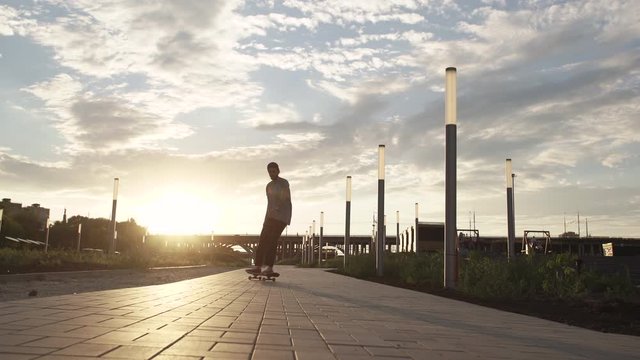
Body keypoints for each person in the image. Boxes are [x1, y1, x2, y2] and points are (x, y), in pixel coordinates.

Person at [246, 162, 292, 276]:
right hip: (270, 217)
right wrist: (266, 218)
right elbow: (269, 203)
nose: (271, 174)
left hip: (281, 216)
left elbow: (284, 197)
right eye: (270, 172)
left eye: (273, 171)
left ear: (278, 171)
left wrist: (277, 207)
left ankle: (269, 267)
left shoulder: (284, 182)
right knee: (262, 240)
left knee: (272, 240)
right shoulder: (268, 186)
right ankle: (257, 266)